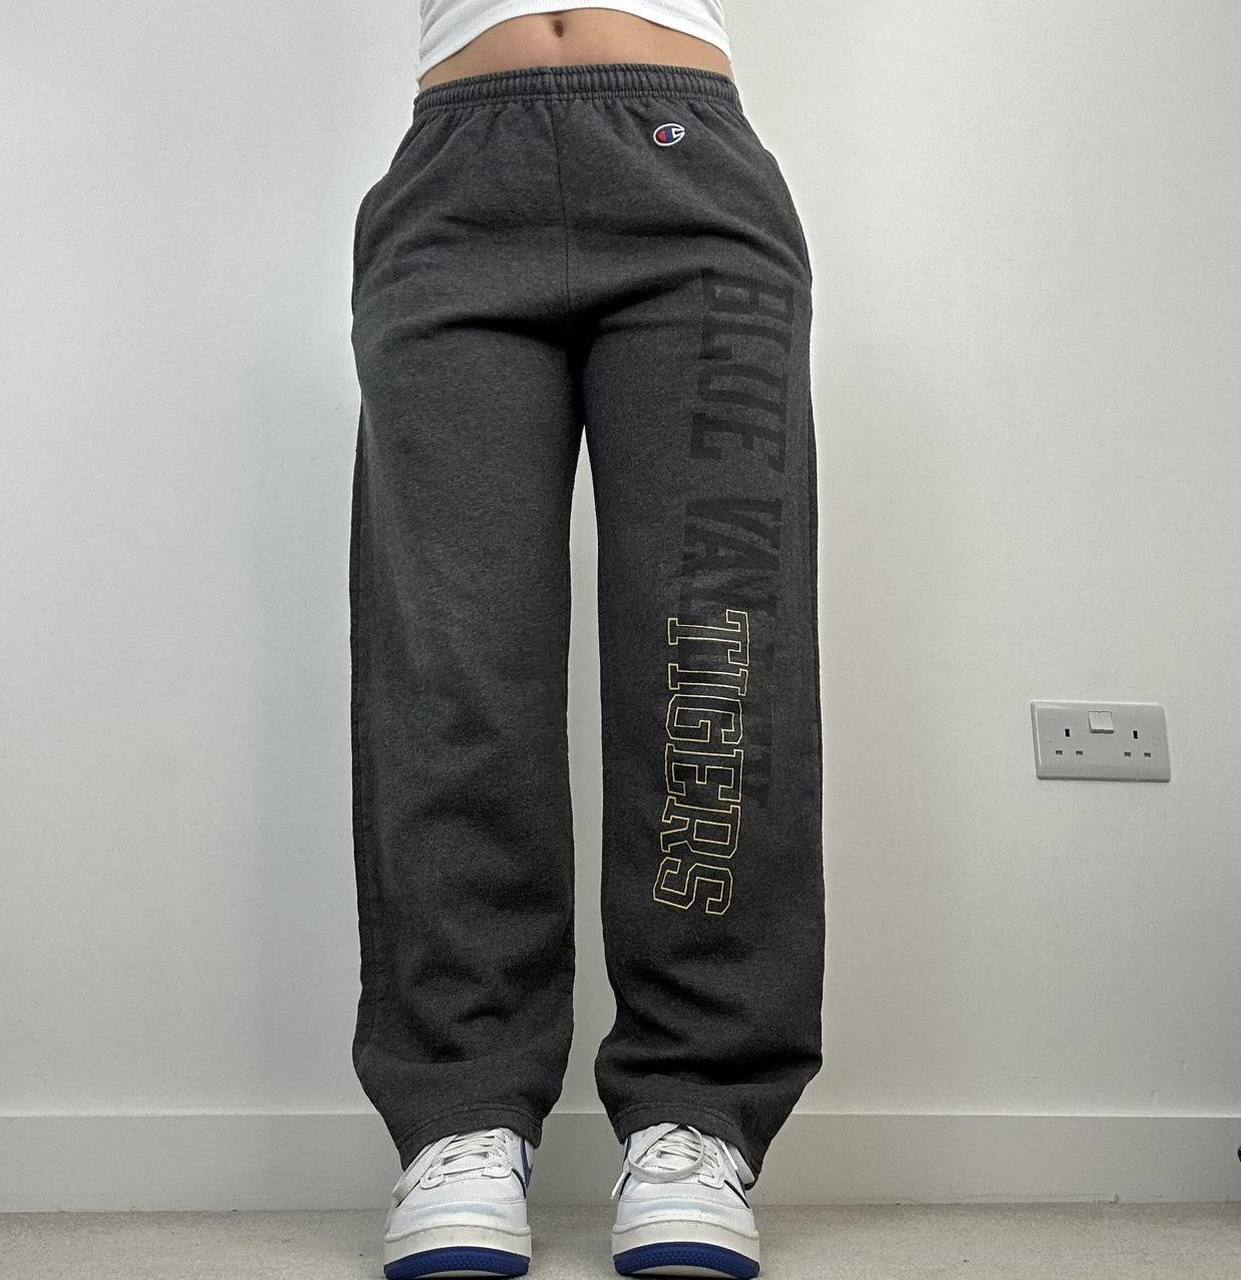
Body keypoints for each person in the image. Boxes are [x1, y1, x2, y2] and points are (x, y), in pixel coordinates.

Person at [348, 4, 824, 1277]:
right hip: (450, 189)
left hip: (692, 181)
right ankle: (459, 1114)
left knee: (712, 661)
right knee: (452, 668)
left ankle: (694, 1113)